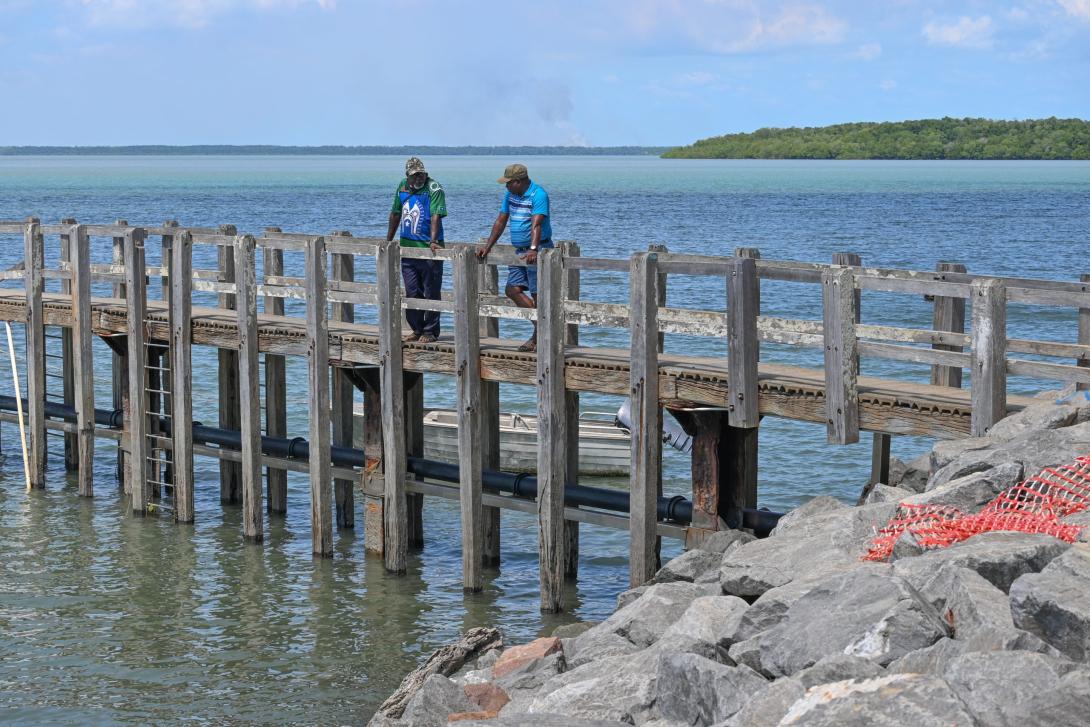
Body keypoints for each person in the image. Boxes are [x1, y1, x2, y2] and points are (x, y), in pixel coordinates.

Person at [476, 163, 552, 352]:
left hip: (538, 249)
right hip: (518, 251)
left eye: (508, 183)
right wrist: (488, 247)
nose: (506, 186)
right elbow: (501, 221)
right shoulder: (510, 195)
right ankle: (541, 329)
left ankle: (537, 338)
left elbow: (537, 224)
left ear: (518, 182)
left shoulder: (538, 195)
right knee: (512, 289)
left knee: (538, 294)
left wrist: (534, 249)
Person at [387, 156, 446, 343]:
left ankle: (430, 331)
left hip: (429, 249)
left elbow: (436, 214)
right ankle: (416, 329)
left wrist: (433, 240)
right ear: (408, 176)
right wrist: (388, 240)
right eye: (414, 176)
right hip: (407, 249)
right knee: (412, 291)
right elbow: (396, 213)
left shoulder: (434, 188)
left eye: (421, 174)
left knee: (431, 290)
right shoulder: (402, 186)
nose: (419, 178)